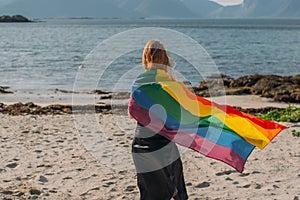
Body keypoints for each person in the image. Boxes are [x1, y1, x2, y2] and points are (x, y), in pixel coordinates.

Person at [129, 40, 188, 200]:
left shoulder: (139, 82)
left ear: (146, 58)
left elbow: (131, 113)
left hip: (141, 144)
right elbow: (180, 114)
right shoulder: (170, 83)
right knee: (176, 191)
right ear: (164, 58)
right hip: (163, 145)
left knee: (149, 193)